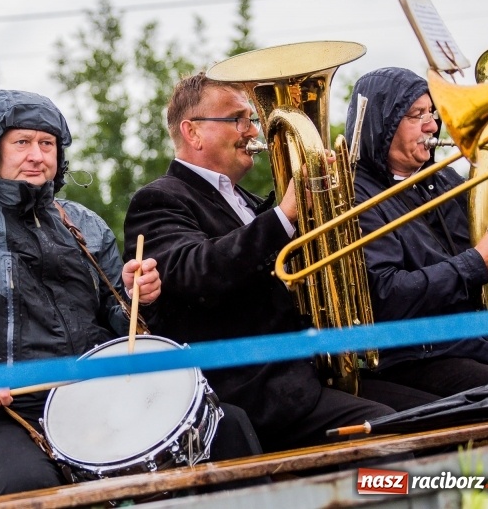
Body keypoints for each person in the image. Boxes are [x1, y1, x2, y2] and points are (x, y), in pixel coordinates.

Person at [0, 90, 263, 495]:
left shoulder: (85, 224)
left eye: (47, 144)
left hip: (101, 400)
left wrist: (141, 298)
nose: (37, 155)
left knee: (228, 425)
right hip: (4, 414)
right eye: (22, 142)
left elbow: (120, 320)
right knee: (30, 485)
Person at [123, 72, 406, 454]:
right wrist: (284, 215)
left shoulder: (243, 199)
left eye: (251, 119)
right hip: (253, 394)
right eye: (237, 119)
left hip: (304, 375)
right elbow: (199, 272)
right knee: (391, 434)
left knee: (428, 413)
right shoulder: (159, 199)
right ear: (193, 132)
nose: (252, 130)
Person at [347, 67, 488, 398]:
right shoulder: (357, 199)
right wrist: (478, 265)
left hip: (482, 338)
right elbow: (385, 295)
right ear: (383, 123)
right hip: (421, 355)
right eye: (416, 115)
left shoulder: (442, 180)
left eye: (431, 113)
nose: (432, 125)